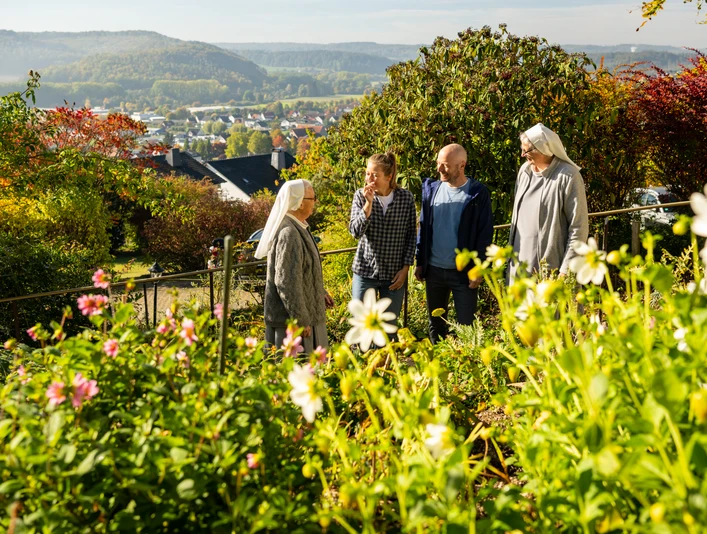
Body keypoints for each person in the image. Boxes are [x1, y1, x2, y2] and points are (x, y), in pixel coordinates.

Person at [415, 144, 494, 343]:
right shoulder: (431, 190)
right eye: (438, 164)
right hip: (434, 271)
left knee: (467, 328)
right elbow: (423, 228)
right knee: (435, 324)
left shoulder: (477, 193)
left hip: (464, 274)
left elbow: (484, 234)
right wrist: (420, 262)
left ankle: (466, 369)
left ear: (462, 165)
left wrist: (479, 268)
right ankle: (437, 367)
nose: (440, 169)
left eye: (446, 165)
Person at [255, 179, 333, 352]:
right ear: (299, 203)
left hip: (305, 318)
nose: (315, 203)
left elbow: (303, 271)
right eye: (312, 198)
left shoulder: (299, 228)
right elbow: (286, 282)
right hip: (291, 326)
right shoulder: (289, 233)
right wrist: (300, 320)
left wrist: (320, 292)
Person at [508, 123, 589, 281]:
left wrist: (567, 269)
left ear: (543, 149)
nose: (522, 155)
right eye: (521, 149)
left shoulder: (568, 176)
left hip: (550, 270)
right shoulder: (524, 172)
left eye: (526, 150)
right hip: (518, 268)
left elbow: (579, 227)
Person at [349, 152, 417, 324]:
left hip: (394, 274)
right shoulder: (360, 196)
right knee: (363, 324)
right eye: (367, 174)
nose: (369, 179)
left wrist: (406, 269)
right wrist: (368, 204)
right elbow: (355, 232)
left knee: (388, 327)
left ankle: (386, 353)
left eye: (375, 175)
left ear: (389, 176)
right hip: (365, 272)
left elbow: (411, 235)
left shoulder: (405, 198)